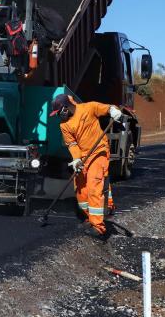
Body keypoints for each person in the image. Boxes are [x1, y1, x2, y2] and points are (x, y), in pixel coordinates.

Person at [50, 94, 122, 240]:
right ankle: (93, 215)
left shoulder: (88, 108)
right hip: (83, 156)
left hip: (99, 151)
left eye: (58, 112)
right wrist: (76, 159)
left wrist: (113, 111)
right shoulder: (64, 125)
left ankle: (99, 227)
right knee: (81, 190)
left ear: (65, 107)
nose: (58, 116)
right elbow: (72, 144)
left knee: (94, 184)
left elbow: (107, 108)